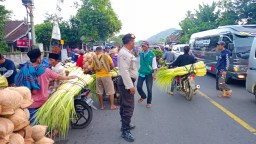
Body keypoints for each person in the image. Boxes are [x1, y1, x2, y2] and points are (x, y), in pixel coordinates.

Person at [14, 49, 76, 123]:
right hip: (43, 102)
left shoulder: (23, 70)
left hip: (29, 103)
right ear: (39, 59)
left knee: (34, 127)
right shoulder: (46, 70)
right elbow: (58, 77)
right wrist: (69, 77)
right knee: (43, 124)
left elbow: (18, 84)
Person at [118, 33, 137, 142]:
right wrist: (130, 86)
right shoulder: (124, 53)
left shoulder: (126, 52)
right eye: (133, 42)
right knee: (128, 106)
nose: (134, 44)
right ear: (130, 42)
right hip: (126, 83)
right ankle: (125, 131)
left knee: (124, 105)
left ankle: (126, 124)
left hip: (126, 82)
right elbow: (125, 72)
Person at [137, 40, 157, 108]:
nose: (143, 47)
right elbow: (135, 55)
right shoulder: (141, 53)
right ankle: (143, 96)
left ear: (148, 46)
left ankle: (149, 102)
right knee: (138, 87)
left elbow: (154, 65)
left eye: (144, 46)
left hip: (148, 73)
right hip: (141, 73)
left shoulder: (152, 54)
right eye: (142, 46)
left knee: (149, 89)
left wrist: (154, 74)